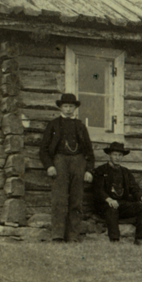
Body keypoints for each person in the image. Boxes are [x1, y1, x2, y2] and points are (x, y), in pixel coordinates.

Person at [40, 93, 95, 242]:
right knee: (59, 199)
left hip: (78, 162)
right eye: (65, 106)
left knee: (76, 200)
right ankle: (57, 235)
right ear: (60, 107)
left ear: (75, 108)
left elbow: (89, 151)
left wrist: (89, 170)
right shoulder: (53, 124)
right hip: (60, 161)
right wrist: (49, 165)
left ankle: (73, 236)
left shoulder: (80, 126)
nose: (68, 109)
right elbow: (43, 149)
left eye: (71, 106)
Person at [92, 141, 142, 243]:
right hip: (105, 205)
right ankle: (114, 240)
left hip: (122, 205)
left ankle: (140, 238)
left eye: (120, 155)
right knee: (112, 208)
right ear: (110, 155)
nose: (117, 157)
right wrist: (109, 199)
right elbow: (98, 190)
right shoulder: (101, 171)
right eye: (115, 154)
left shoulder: (125, 172)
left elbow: (134, 188)